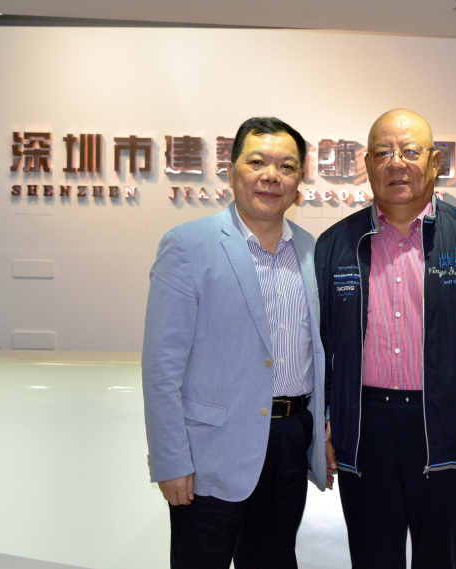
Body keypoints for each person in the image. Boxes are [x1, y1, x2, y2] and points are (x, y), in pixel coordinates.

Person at [315, 109, 456, 569]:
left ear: (435, 162)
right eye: (382, 153)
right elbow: (319, 347)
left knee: (442, 560)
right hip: (364, 430)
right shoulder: (335, 245)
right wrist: (325, 425)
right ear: (367, 164)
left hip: (448, 429)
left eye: (410, 151)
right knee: (373, 560)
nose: (396, 163)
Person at [142, 116, 330, 569]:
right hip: (211, 454)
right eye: (257, 162)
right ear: (231, 172)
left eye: (286, 166)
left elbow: (319, 352)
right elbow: (161, 367)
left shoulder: (311, 250)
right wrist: (171, 461)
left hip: (289, 443)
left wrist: (322, 427)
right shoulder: (188, 246)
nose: (271, 176)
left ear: (299, 180)